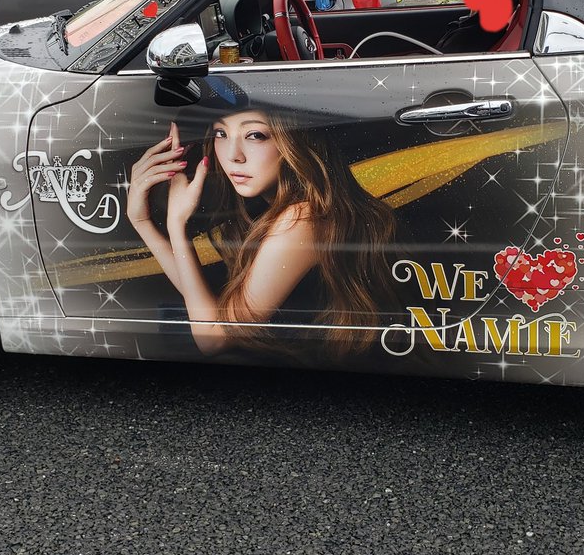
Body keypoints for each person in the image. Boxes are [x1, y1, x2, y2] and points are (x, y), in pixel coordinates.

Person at [126, 88, 397, 358]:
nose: (234, 155)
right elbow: (210, 312)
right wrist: (141, 222)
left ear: (293, 140)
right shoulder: (281, 209)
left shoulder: (303, 219)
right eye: (221, 133)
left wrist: (177, 225)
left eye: (255, 135)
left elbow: (213, 338)